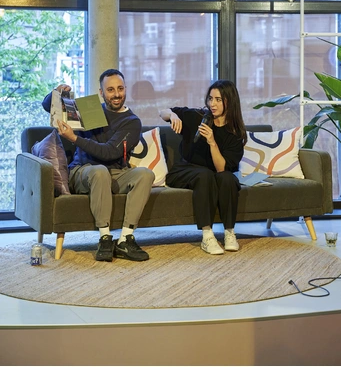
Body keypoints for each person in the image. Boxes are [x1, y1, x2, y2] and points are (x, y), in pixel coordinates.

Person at [42, 69, 155, 262]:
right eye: (110, 90)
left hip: (116, 173)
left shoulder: (132, 122)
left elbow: (110, 152)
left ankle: (125, 238)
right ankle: (104, 237)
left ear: (125, 89)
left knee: (146, 174)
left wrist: (74, 138)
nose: (116, 94)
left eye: (120, 88)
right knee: (100, 171)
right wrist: (56, 92)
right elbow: (47, 107)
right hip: (84, 171)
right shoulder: (89, 110)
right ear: (102, 93)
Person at [160, 79, 247, 255]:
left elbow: (222, 169)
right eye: (210, 99)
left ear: (230, 102)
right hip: (185, 170)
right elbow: (163, 112)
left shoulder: (235, 134)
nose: (212, 104)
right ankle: (207, 236)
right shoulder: (197, 117)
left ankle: (229, 232)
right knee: (205, 175)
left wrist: (212, 142)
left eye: (218, 100)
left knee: (228, 178)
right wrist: (173, 115)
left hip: (215, 173)